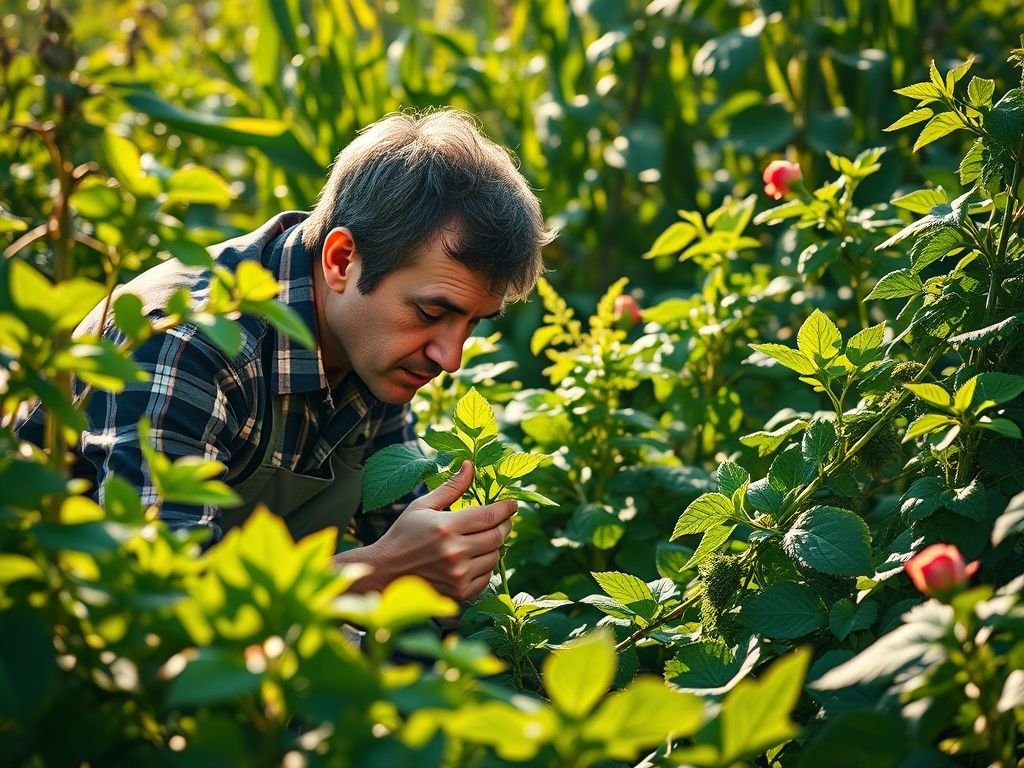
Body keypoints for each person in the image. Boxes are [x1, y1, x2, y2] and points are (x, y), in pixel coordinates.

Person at [17, 108, 554, 602]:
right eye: (432, 313)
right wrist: (380, 571)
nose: (451, 357)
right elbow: (159, 596)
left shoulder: (372, 346)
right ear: (342, 260)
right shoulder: (190, 345)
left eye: (472, 324)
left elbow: (403, 534)